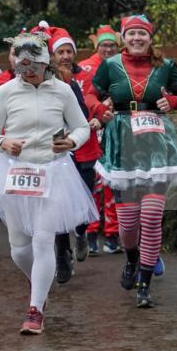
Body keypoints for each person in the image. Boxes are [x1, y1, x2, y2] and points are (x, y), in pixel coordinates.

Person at [0, 32, 95, 334]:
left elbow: (82, 126)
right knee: (19, 249)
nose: (28, 71)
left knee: (44, 240)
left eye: (34, 65)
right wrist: (3, 142)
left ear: (46, 64)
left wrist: (70, 141)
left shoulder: (63, 90)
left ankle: (35, 309)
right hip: (15, 171)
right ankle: (38, 280)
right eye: (22, 66)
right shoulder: (6, 91)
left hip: (54, 172)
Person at [91, 14, 177, 307]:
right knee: (128, 225)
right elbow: (89, 94)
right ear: (124, 37)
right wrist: (98, 108)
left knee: (150, 217)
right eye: (131, 33)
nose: (137, 38)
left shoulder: (166, 66)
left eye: (142, 34)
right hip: (122, 143)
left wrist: (173, 102)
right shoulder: (109, 66)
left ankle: (144, 286)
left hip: (156, 145)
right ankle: (132, 259)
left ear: (150, 37)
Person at [48, 27, 105, 282]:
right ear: (52, 55)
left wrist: (95, 120)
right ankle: (62, 255)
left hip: (83, 146)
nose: (65, 55)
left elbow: (84, 110)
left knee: (83, 199)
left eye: (69, 50)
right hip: (56, 150)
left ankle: (81, 233)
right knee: (58, 203)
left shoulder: (77, 79)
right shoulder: (44, 78)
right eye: (60, 51)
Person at [76, 24, 121, 255]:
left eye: (112, 45)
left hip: (117, 128)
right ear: (97, 46)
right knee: (93, 181)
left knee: (113, 180)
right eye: (104, 45)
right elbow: (82, 99)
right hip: (91, 128)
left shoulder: (123, 64)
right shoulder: (85, 68)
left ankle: (112, 234)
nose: (108, 49)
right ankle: (91, 231)